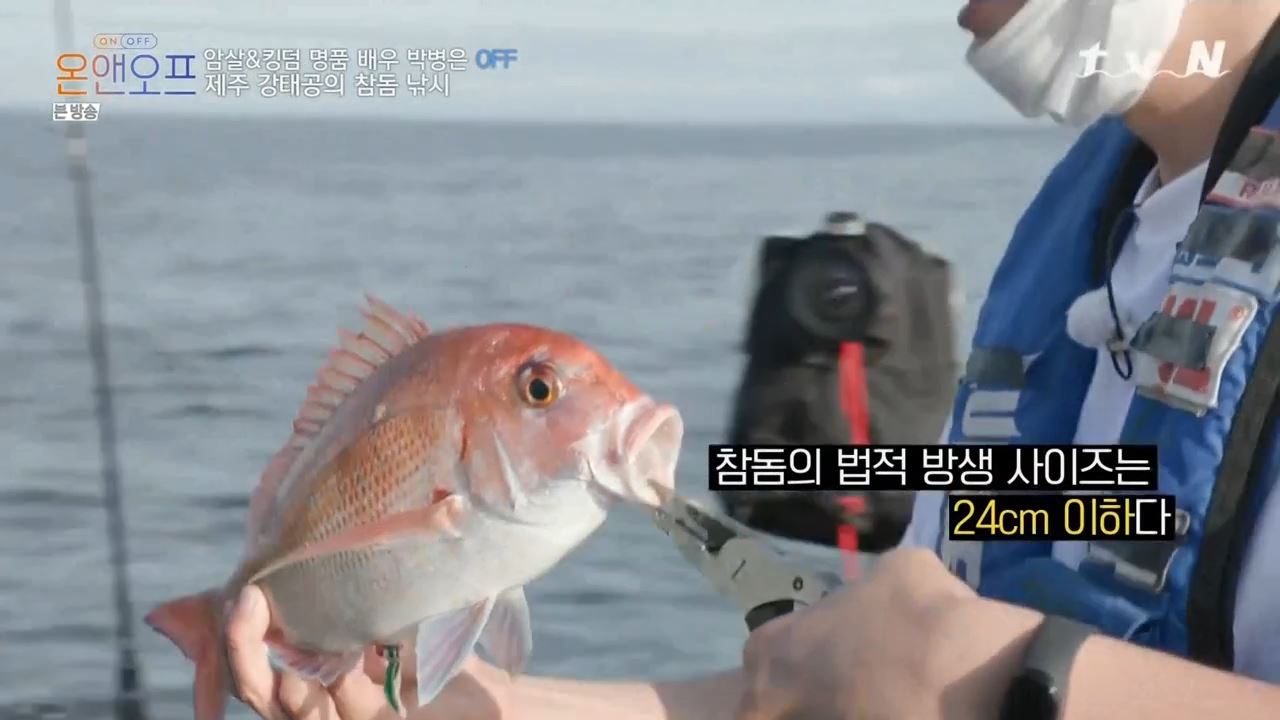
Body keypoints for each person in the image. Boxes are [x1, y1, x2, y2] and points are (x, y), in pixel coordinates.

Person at [223, 0, 1280, 717]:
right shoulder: (1079, 232)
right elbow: (846, 689)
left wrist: (1014, 675)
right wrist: (495, 706)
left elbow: (932, 675)